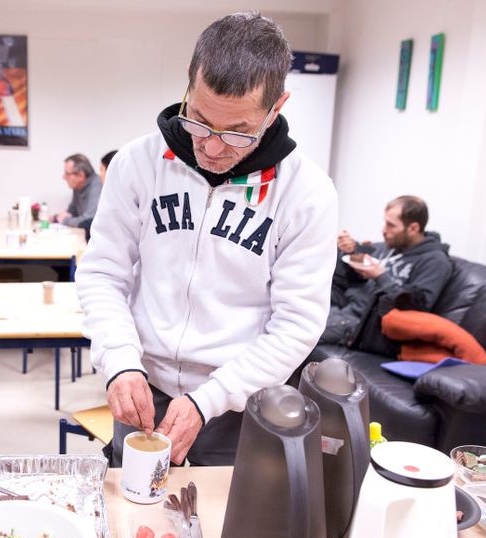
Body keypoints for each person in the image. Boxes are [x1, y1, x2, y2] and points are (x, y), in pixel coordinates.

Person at [76, 12, 338, 467]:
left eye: (238, 131)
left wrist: (211, 399)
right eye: (199, 121)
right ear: (188, 85)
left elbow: (297, 324)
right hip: (141, 384)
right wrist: (119, 359)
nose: (213, 148)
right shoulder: (137, 163)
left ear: (277, 107)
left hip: (240, 403)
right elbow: (103, 273)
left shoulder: (307, 192)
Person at [321, 195, 453, 353]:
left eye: (391, 225)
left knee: (299, 331)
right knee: (291, 313)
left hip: (365, 326)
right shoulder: (389, 247)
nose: (384, 230)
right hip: (348, 308)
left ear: (413, 228)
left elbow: (419, 306)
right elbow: (353, 282)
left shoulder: (435, 261)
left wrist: (381, 276)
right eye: (385, 223)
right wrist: (351, 252)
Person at [53, 153, 102, 228]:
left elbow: (89, 220)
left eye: (67, 173)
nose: (63, 177)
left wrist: (65, 220)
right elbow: (73, 210)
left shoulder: (97, 186)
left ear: (80, 176)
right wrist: (56, 217)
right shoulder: (78, 186)